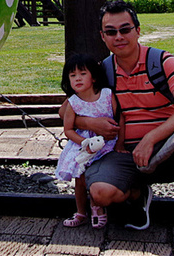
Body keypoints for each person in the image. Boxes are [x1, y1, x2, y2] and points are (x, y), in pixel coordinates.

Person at [75, 0, 174, 249]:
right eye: (111, 32)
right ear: (102, 36)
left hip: (166, 148)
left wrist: (151, 138)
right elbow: (71, 111)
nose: (119, 36)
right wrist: (91, 122)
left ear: (138, 30)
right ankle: (138, 194)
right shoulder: (103, 71)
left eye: (125, 29)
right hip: (125, 152)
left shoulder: (161, 62)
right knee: (101, 193)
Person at [55, 53, 118, 229]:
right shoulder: (73, 102)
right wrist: (84, 142)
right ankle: (81, 211)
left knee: (98, 173)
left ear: (94, 77)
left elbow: (120, 119)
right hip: (83, 144)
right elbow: (68, 130)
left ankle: (98, 206)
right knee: (80, 177)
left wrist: (119, 144)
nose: (78, 79)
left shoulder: (107, 95)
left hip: (107, 142)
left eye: (83, 74)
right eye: (73, 75)